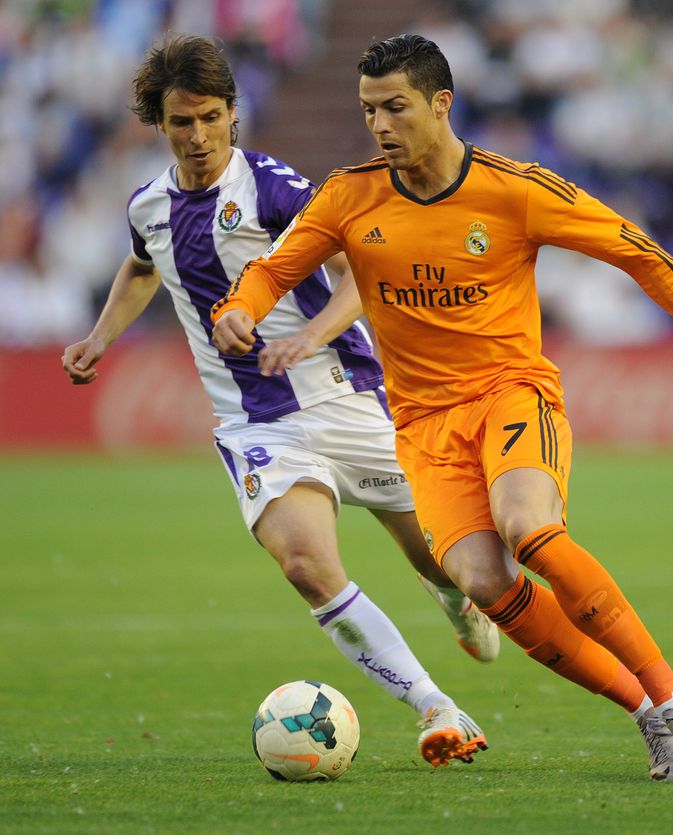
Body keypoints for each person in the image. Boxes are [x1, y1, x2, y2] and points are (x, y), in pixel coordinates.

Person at [211, 34, 673, 782]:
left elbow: (634, 247)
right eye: (368, 109)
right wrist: (239, 308)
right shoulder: (350, 195)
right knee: (481, 582)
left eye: (395, 107)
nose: (379, 124)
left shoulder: (515, 189)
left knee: (529, 527)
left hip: (511, 395)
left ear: (442, 104)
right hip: (423, 427)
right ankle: (644, 713)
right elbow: (272, 270)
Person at [61, 34, 503, 769]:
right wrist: (100, 339)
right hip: (257, 424)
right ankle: (436, 706)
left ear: (234, 114)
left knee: (451, 562)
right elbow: (142, 270)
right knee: (305, 564)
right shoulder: (149, 207)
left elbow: (361, 275)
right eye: (181, 123)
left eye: (209, 117)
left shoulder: (273, 188)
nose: (198, 136)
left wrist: (308, 337)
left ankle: (457, 602)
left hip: (345, 397)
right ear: (161, 126)